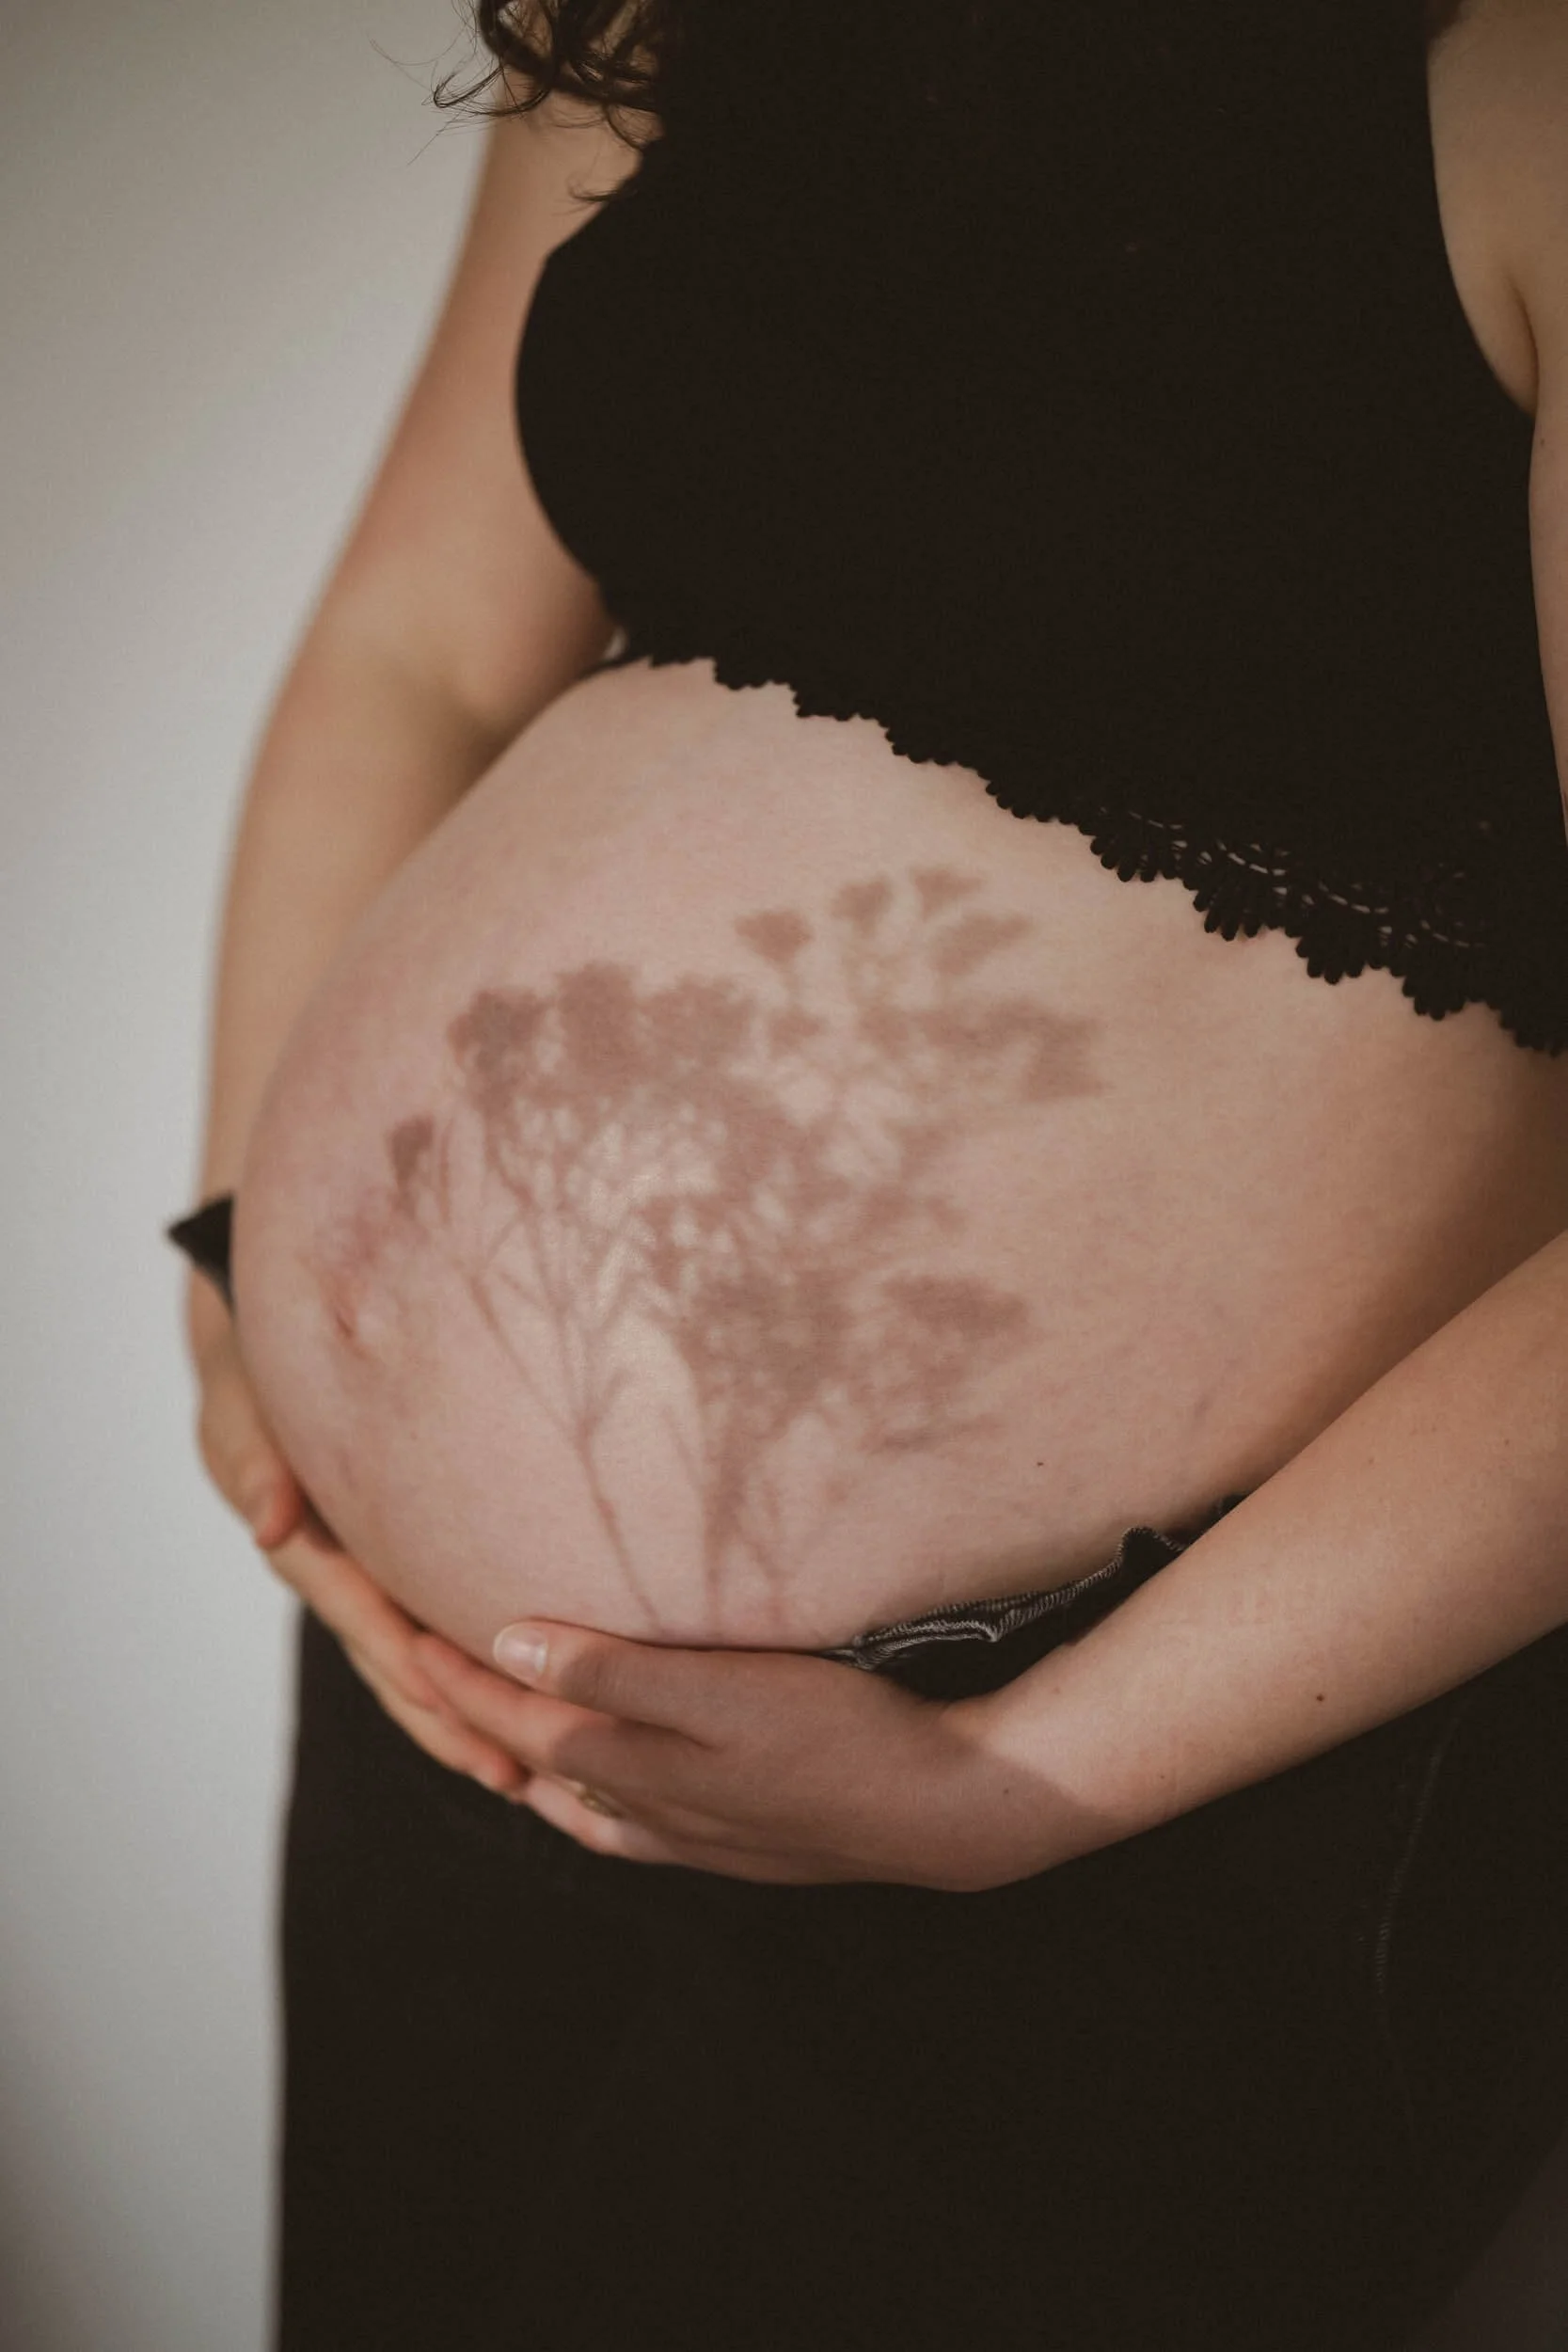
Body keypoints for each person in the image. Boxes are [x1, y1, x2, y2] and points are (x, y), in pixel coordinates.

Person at [171, 2, 1568, 2344]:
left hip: (1145, 1781)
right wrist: (244, 1273)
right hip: (444, 1702)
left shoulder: (1519, 78)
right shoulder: (661, 19)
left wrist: (1020, 1770)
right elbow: (412, 645)